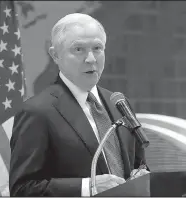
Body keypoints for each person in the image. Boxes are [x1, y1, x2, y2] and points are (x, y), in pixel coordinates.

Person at [9, 13, 149, 196]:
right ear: (55, 55)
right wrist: (87, 187)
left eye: (97, 48)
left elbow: (139, 165)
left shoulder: (118, 103)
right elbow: (22, 190)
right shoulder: (36, 112)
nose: (91, 59)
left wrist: (142, 176)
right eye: (78, 49)